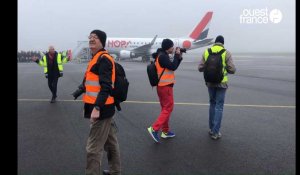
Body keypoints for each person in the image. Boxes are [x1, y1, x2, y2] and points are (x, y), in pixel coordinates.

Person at [79, 29, 121, 175]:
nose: (91, 39)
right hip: (105, 107)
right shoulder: (96, 57)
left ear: (102, 41)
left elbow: (106, 86)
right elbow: (91, 81)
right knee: (110, 143)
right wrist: (80, 90)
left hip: (102, 109)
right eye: (90, 37)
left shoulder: (103, 59)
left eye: (95, 37)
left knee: (93, 148)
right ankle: (115, 171)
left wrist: (97, 107)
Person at [198, 35, 236, 140]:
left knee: (212, 104)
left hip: (210, 82)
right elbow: (232, 69)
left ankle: (211, 129)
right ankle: (216, 132)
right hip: (222, 83)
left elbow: (200, 68)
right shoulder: (226, 52)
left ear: (215, 42)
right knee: (219, 106)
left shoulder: (206, 51)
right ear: (223, 43)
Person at [147, 39, 183, 143]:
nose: (173, 48)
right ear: (168, 47)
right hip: (165, 86)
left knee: (165, 109)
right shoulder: (162, 56)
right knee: (168, 108)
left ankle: (165, 131)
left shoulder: (162, 55)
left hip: (162, 86)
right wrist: (177, 56)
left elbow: (172, 66)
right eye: (172, 46)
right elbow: (173, 66)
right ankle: (154, 128)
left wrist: (178, 57)